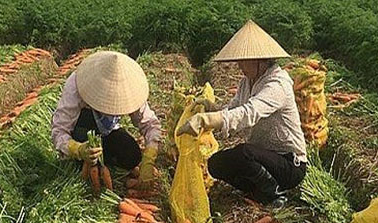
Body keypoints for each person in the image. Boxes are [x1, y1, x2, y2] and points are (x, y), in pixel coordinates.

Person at [176, 20, 307, 208]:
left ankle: (275, 193)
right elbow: (233, 109)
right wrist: (210, 108)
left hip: (288, 164)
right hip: (264, 157)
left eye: (242, 61)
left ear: (259, 60)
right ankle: (257, 190)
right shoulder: (247, 82)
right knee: (216, 164)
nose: (239, 66)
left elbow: (249, 113)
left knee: (244, 152)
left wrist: (206, 120)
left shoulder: (277, 85)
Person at [51, 51, 161, 186]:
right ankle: (86, 163)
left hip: (108, 131)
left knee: (132, 156)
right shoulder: (77, 84)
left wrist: (149, 158)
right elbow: (59, 131)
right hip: (82, 134)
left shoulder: (130, 89)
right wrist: (77, 149)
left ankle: (104, 163)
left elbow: (150, 124)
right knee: (81, 166)